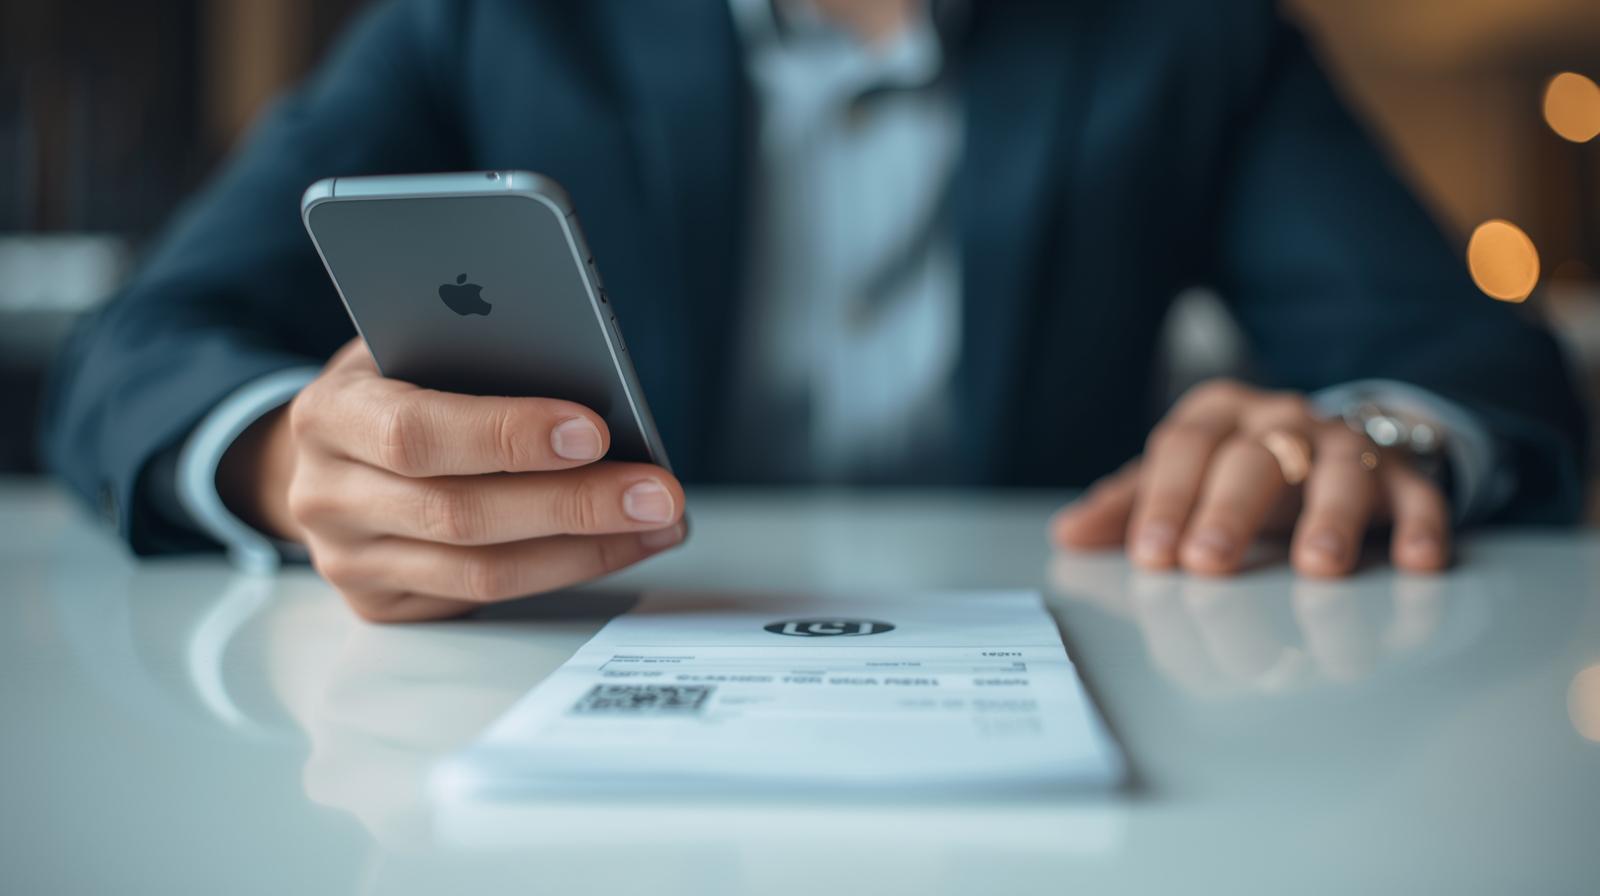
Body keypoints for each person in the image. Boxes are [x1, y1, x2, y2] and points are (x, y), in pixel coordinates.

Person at [42, 0, 1588, 622]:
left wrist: (1373, 439)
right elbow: (139, 348)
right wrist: (292, 465)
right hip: (553, 707)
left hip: (1082, 698)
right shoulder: (488, 18)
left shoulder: (1191, 33)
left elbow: (1468, 360)